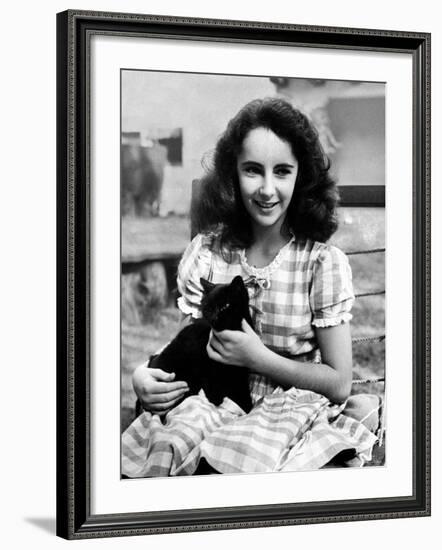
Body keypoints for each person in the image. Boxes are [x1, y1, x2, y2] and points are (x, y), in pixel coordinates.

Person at [123, 97, 381, 477]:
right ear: (233, 174)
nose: (266, 188)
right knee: (171, 447)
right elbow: (190, 342)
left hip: (288, 414)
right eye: (252, 170)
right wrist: (143, 373)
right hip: (211, 403)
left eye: (282, 171)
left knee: (244, 462)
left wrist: (258, 359)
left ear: (301, 176)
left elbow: (340, 383)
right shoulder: (210, 253)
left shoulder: (319, 262)